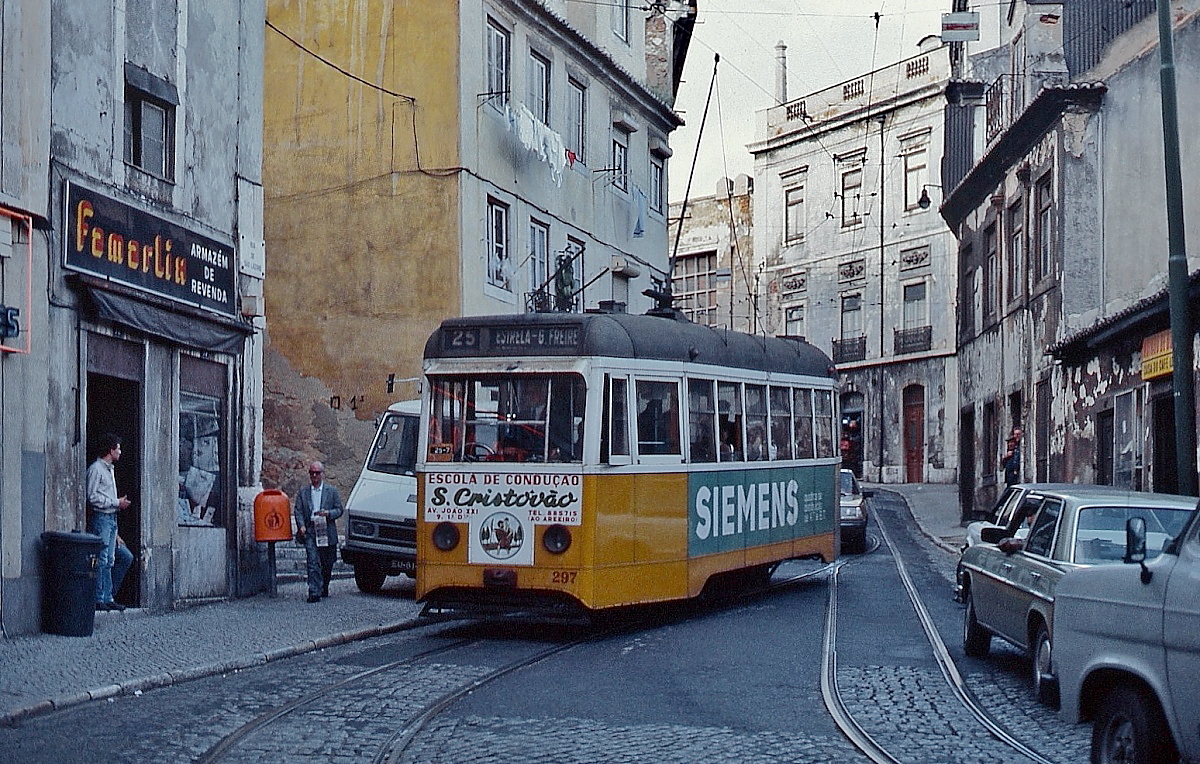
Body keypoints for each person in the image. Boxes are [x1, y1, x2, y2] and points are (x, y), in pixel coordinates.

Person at [87, 433, 132, 611]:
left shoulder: (109, 470)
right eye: (118, 448)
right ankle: (99, 597)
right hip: (102, 517)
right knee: (102, 558)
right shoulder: (96, 469)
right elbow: (92, 496)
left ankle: (107, 596)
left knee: (110, 559)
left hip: (111, 518)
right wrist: (116, 502)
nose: (120, 452)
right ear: (110, 450)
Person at [293, 460, 343, 603]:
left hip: (326, 531)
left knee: (327, 562)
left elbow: (339, 509)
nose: (314, 475)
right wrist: (301, 526)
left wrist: (328, 513)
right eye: (312, 473)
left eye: (317, 473)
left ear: (322, 474)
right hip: (310, 531)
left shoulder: (331, 491)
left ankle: (323, 586)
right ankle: (314, 591)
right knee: (313, 562)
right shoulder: (303, 492)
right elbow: (298, 511)